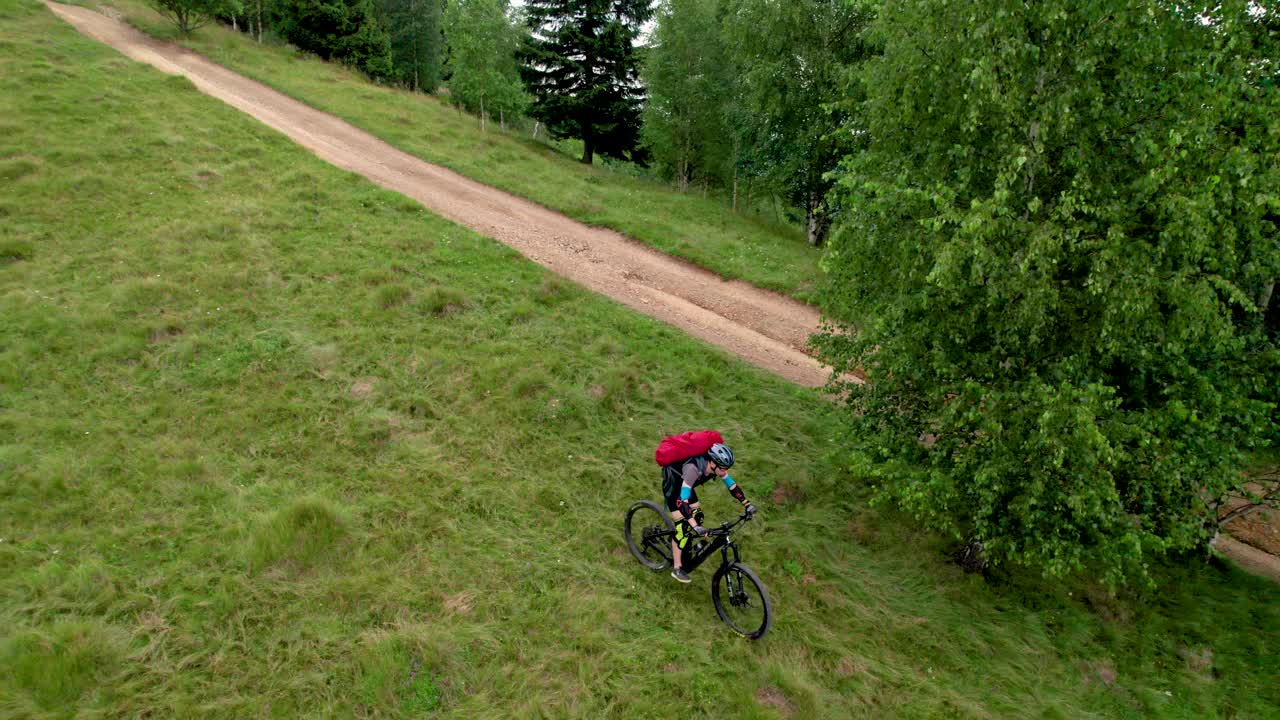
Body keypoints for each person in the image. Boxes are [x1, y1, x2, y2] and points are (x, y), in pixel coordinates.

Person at [662, 442, 757, 583]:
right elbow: (682, 502)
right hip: (674, 485)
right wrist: (694, 527)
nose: (725, 471)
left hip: (687, 485)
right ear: (713, 463)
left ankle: (686, 545)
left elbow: (732, 485)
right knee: (683, 528)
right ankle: (677, 567)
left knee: (698, 516)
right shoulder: (692, 469)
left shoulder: (716, 467)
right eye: (723, 468)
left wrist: (747, 504)